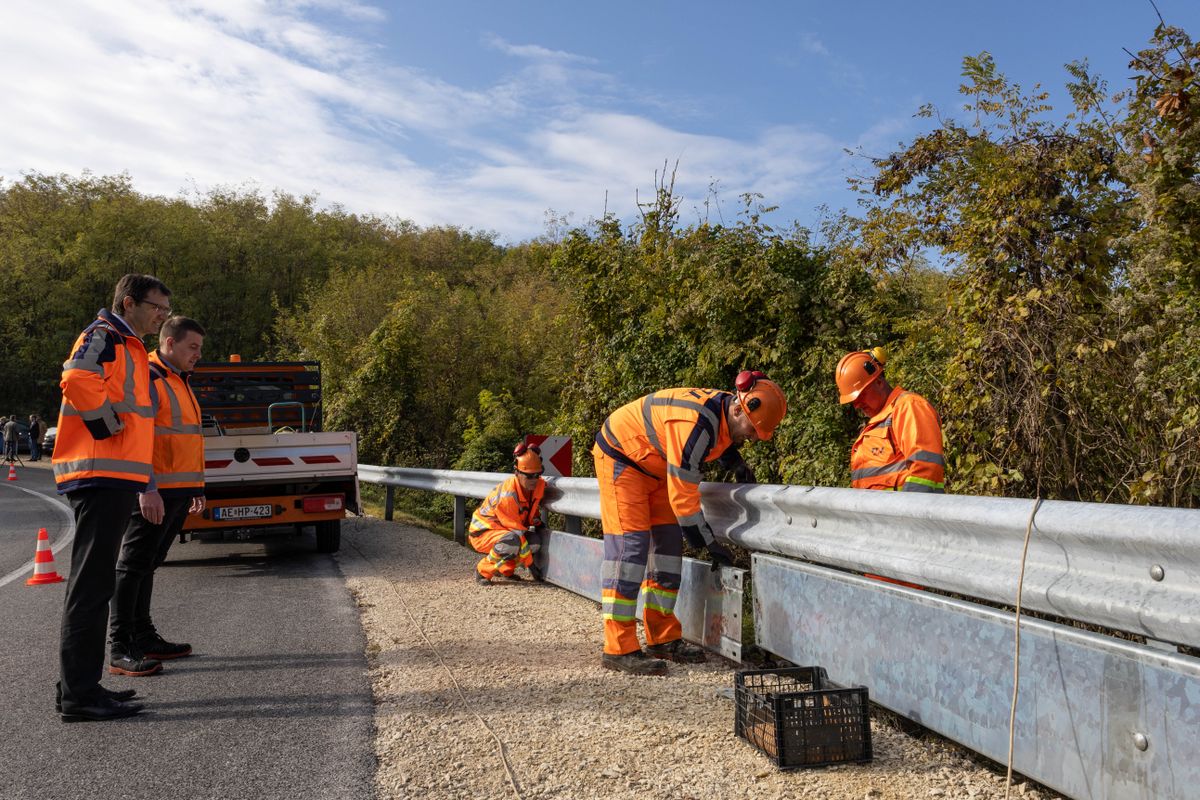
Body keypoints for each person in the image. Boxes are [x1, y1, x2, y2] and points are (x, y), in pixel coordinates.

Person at [592, 371, 787, 675]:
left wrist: (735, 464)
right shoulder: (696, 423)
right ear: (739, 409)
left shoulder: (723, 409)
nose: (752, 437)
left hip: (655, 465)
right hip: (623, 458)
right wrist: (709, 543)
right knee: (630, 550)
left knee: (668, 549)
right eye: (752, 429)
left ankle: (662, 637)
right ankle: (619, 648)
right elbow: (684, 497)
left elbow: (716, 438)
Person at [52, 273, 171, 722]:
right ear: (128, 302)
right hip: (99, 473)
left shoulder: (130, 346)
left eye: (166, 309)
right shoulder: (106, 335)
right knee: (91, 588)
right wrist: (106, 425)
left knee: (94, 586)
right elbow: (77, 378)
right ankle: (79, 696)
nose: (162, 315)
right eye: (156, 306)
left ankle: (78, 687)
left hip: (113, 476)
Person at [109, 316, 207, 675]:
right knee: (133, 565)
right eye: (192, 347)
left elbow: (184, 437)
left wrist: (195, 485)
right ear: (169, 344)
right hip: (154, 491)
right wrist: (147, 488)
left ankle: (144, 636)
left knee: (148, 563)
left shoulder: (178, 379)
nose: (198, 354)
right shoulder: (148, 377)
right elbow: (138, 437)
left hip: (177, 491)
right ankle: (120, 647)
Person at [835, 348, 945, 493]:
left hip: (903, 513)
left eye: (860, 396)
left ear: (879, 382)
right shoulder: (878, 421)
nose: (857, 405)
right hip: (880, 515)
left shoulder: (908, 407)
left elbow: (925, 467)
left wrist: (904, 512)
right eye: (853, 401)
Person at [468, 442, 549, 584]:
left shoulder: (537, 486)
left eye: (537, 475)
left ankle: (505, 570)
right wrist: (531, 565)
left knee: (534, 542)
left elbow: (529, 511)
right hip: (482, 532)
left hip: (505, 531)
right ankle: (483, 571)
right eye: (529, 476)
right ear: (517, 473)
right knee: (512, 541)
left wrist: (537, 522)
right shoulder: (508, 495)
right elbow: (518, 533)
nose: (534, 480)